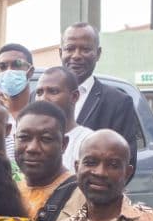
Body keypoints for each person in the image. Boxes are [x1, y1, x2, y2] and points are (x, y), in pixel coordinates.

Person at [60, 24, 139, 158]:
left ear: (98, 54)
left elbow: (126, 160)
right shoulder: (40, 96)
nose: (76, 55)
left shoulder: (118, 103)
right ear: (61, 53)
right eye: (70, 49)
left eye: (85, 49)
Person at [16, 101, 83, 221]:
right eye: (24, 138)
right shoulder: (10, 191)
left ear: (64, 144)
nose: (32, 148)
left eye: (45, 139)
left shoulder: (82, 197)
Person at [34, 66, 92, 173]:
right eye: (39, 92)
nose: (43, 98)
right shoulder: (29, 141)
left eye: (53, 91)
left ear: (74, 97)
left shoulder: (88, 141)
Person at [0, 44, 34, 119]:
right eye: (2, 66)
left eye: (17, 64)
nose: (9, 71)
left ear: (30, 71)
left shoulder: (41, 114)